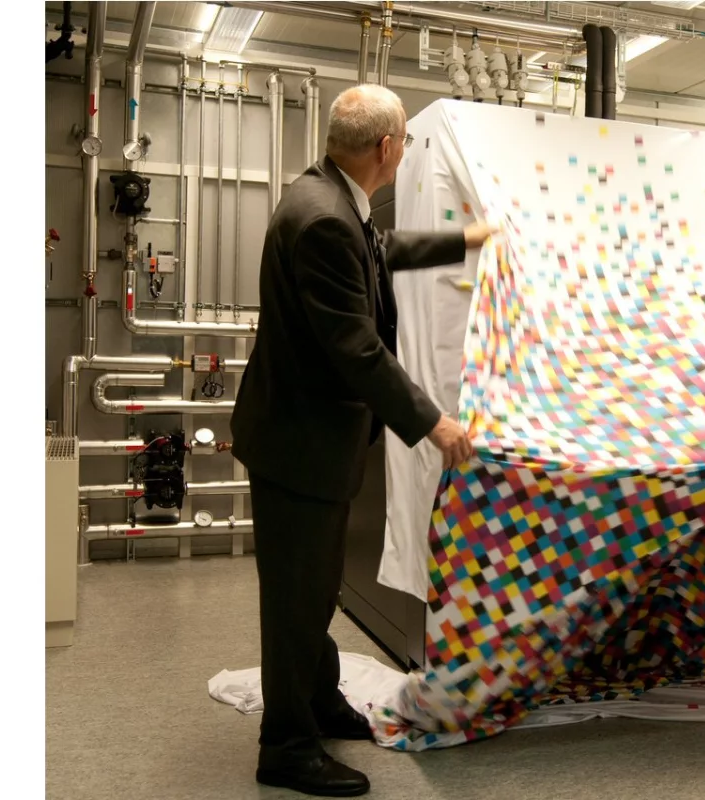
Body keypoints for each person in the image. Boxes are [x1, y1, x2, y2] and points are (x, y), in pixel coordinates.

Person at [230, 84, 490, 796]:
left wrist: (465, 238)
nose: (404, 152)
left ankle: (316, 701)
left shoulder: (332, 199)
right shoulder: (323, 220)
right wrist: (434, 422)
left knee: (313, 590)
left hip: (312, 439)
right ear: (387, 148)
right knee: (294, 598)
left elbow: (381, 250)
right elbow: (356, 347)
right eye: (404, 141)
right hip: (299, 442)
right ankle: (285, 746)